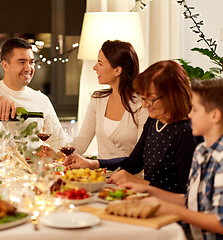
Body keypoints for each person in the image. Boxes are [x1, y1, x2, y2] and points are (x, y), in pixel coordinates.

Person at [65, 60, 197, 193]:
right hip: (149, 200)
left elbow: (184, 193)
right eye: (143, 98)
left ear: (172, 96)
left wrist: (139, 182)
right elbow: (133, 163)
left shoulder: (187, 134)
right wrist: (94, 163)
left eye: (150, 98)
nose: (144, 105)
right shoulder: (155, 122)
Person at [120, 78, 223, 239]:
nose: (189, 115)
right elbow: (191, 201)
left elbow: (220, 223)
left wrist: (171, 209)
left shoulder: (221, 160)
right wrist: (149, 190)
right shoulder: (202, 151)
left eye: (195, 109)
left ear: (214, 115)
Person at [0, 37, 63, 155]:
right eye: (22, 62)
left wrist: (54, 155)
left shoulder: (41, 99)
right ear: (5, 66)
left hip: (29, 170)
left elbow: (59, 140)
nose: (28, 68)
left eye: (31, 62)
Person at [73, 40, 148, 159]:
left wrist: (96, 164)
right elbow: (81, 142)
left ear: (117, 70)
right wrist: (57, 155)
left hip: (129, 176)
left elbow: (140, 156)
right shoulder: (98, 99)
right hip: (101, 175)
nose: (94, 67)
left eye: (100, 63)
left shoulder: (142, 104)